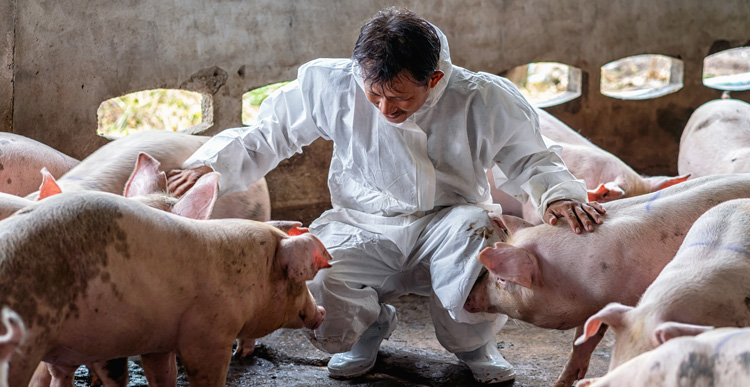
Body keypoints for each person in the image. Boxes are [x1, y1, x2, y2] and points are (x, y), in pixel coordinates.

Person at [168, 7, 604, 384]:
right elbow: (271, 133)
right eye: (373, 94)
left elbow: (532, 158)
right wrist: (213, 165)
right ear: (359, 71)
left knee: (481, 251)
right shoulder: (331, 84)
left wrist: (558, 195)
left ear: (434, 79)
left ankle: (473, 346)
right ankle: (368, 331)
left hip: (449, 220)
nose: (384, 109)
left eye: (399, 98)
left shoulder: (482, 99)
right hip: (362, 220)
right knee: (318, 277)